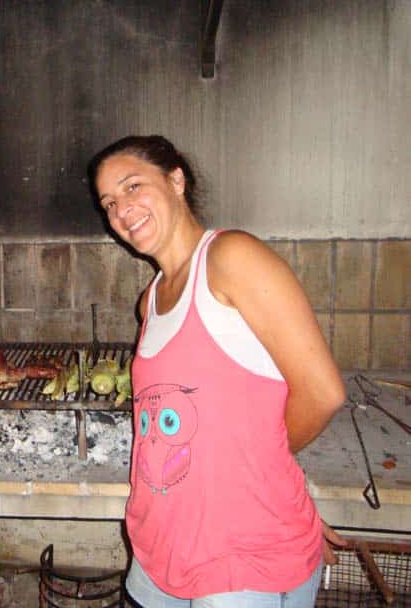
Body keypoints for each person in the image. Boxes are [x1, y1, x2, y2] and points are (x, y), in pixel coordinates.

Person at [89, 135, 347, 607]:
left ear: (176, 179)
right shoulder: (150, 300)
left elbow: (323, 392)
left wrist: (258, 474)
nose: (121, 210)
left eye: (132, 187)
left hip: (238, 557)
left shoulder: (230, 259)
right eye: (108, 202)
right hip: (160, 541)